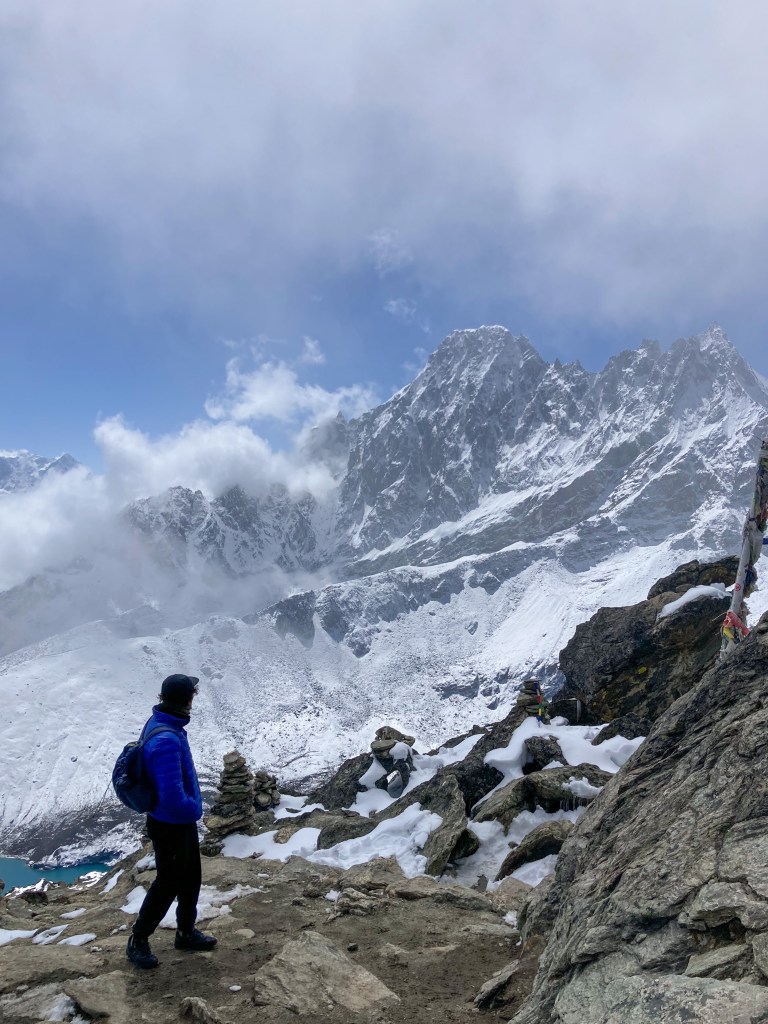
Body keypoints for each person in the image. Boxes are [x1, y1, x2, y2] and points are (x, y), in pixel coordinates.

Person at [126, 673, 217, 969]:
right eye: (193, 695)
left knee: (190, 877)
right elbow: (171, 794)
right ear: (187, 699)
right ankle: (139, 938)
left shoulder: (165, 723)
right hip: (170, 823)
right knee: (167, 883)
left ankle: (186, 932)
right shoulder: (167, 739)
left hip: (175, 821)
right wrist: (194, 809)